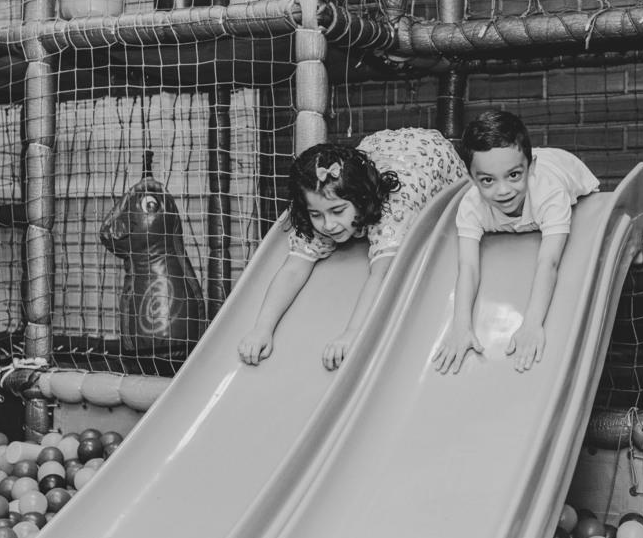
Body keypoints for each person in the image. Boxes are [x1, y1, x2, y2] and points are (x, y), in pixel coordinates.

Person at [238, 127, 466, 370]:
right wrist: (262, 328)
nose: (328, 224)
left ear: (360, 199)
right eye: (316, 214)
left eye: (337, 211)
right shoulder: (325, 213)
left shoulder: (393, 211)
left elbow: (382, 274)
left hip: (430, 153)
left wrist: (353, 332)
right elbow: (293, 270)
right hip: (378, 145)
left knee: (462, 199)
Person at [432, 109, 598, 374]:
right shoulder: (471, 206)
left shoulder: (549, 194)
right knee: (506, 162)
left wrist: (532, 323)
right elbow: (468, 267)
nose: (503, 190)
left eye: (513, 176)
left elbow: (549, 261)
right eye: (487, 180)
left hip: (562, 166)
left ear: (529, 169)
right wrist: (460, 326)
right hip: (524, 161)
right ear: (471, 179)